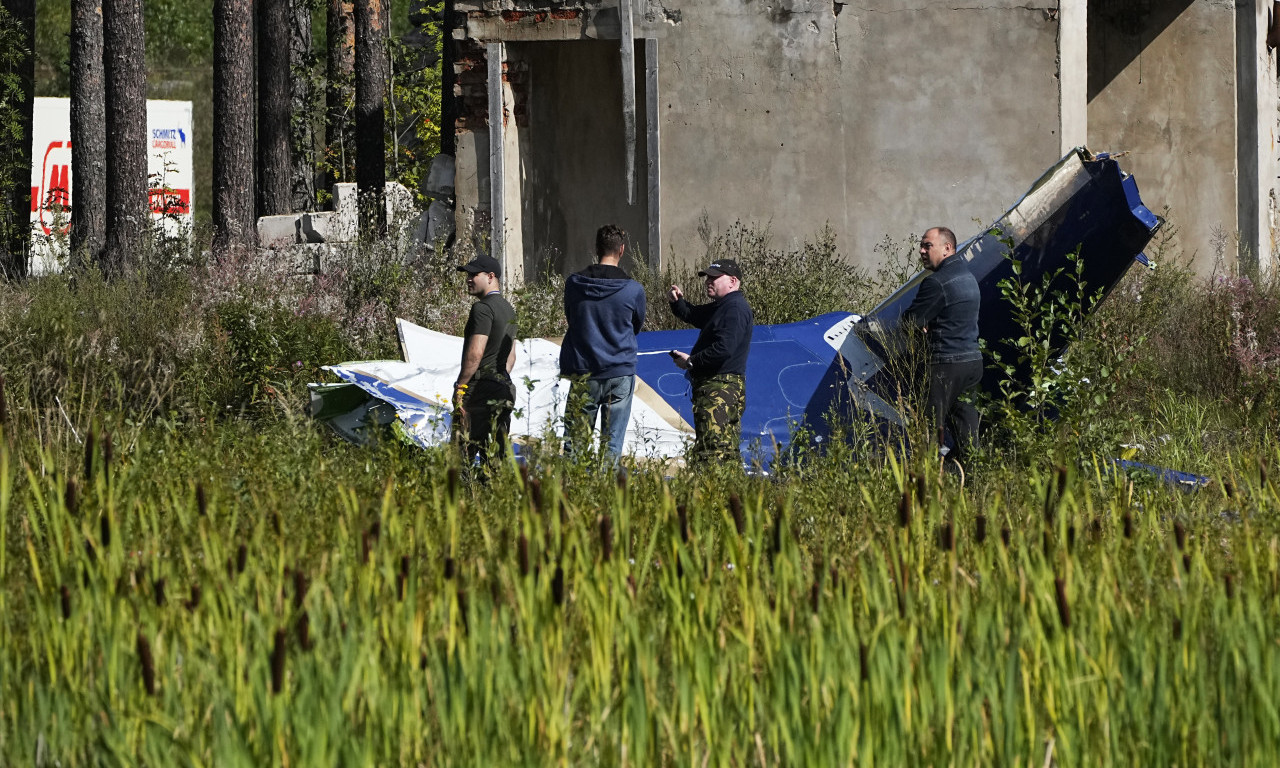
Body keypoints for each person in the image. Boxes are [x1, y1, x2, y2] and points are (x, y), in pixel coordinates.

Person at [560, 224, 647, 461]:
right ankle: (607, 494)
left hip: (583, 369)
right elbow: (635, 326)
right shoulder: (633, 290)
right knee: (611, 446)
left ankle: (571, 494)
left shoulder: (574, 284)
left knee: (575, 446)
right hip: (619, 370)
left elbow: (571, 317)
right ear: (622, 249)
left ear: (596, 248)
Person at [901, 226, 982, 464]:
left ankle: (927, 484)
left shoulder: (937, 282)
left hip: (946, 364)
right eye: (921, 245)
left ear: (947, 248)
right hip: (972, 363)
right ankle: (974, 485)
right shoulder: (968, 277)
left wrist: (921, 323)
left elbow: (910, 322)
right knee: (968, 435)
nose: (921, 251)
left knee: (928, 432)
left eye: (928, 245)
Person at [667, 258, 754, 465]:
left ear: (733, 281)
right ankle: (729, 493)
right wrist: (677, 302)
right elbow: (694, 314)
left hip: (720, 389)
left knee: (712, 453)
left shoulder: (734, 308)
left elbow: (724, 348)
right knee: (724, 451)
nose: (708, 281)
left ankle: (712, 494)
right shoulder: (723, 307)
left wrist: (692, 361)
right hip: (718, 388)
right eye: (707, 277)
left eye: (714, 277)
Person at [453, 253, 517, 472]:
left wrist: (460, 387)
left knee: (462, 458)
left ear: (491, 276)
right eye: (467, 275)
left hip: (479, 391)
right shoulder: (509, 309)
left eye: (474, 274)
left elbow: (475, 353)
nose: (468, 279)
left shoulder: (482, 309)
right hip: (503, 388)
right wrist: (498, 379)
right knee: (495, 461)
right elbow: (511, 357)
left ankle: (461, 502)